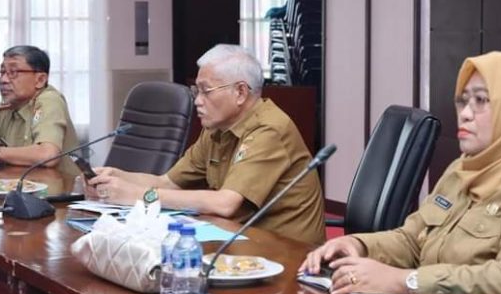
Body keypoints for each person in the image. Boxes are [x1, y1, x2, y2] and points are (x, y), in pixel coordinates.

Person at [300, 50, 501, 294]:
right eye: (463, 101)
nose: (465, 114)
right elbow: (414, 239)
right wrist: (358, 245)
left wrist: (405, 282)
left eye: (482, 101)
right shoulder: (466, 168)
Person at [87, 44, 326, 245]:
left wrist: (141, 196)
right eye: (196, 91)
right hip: (239, 241)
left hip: (286, 253)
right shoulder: (216, 128)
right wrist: (116, 177)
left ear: (240, 92)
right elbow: (168, 182)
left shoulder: (269, 129)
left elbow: (225, 204)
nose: (198, 102)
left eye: (206, 91)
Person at [0, 45, 79, 176]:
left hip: (61, 192)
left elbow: (48, 155)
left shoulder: (49, 101)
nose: (4, 80)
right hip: (22, 188)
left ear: (40, 80)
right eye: (2, 72)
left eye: (13, 72)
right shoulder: (9, 105)